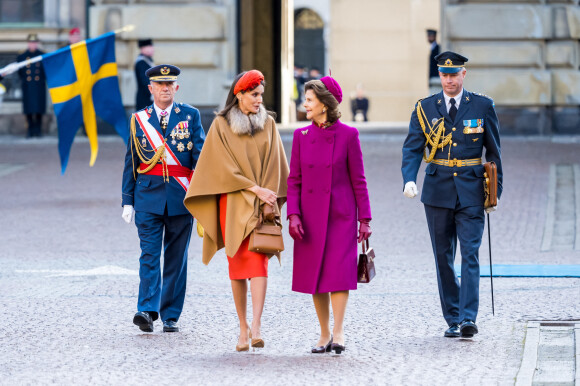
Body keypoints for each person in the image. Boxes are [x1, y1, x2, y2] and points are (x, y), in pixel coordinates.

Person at [183, 70, 289, 352]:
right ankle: (242, 327)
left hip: (261, 206)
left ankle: (256, 325)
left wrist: (266, 194)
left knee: (260, 262)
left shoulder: (269, 124)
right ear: (239, 95)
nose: (259, 100)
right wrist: (254, 189)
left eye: (261, 95)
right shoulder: (220, 125)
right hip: (232, 204)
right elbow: (219, 169)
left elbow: (276, 164)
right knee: (238, 266)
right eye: (254, 95)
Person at [401, 51, 503, 339]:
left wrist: (496, 193)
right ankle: (454, 317)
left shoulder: (482, 106)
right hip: (437, 192)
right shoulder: (425, 108)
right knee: (443, 257)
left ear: (463, 75)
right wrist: (409, 178)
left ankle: (469, 317)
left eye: (453, 74)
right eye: (444, 75)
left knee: (470, 254)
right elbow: (411, 148)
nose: (448, 79)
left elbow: (494, 153)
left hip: (471, 191)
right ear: (440, 76)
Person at [287, 76, 372, 355]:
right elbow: (294, 180)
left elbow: (359, 179)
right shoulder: (301, 137)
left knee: (337, 273)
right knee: (315, 275)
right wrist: (294, 214)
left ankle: (338, 331)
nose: (305, 104)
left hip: (340, 216)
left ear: (324, 104)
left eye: (309, 100)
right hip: (310, 217)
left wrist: (365, 220)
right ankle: (323, 333)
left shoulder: (349, 135)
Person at [121, 64, 205, 333]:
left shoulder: (190, 116)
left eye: (170, 84)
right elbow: (131, 161)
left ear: (176, 87)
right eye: (160, 84)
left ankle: (170, 314)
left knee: (176, 258)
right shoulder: (139, 120)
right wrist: (127, 200)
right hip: (147, 196)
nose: (165, 88)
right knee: (149, 255)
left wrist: (203, 197)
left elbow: (200, 160)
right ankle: (146, 309)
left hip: (181, 197)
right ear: (151, 89)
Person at [17, 34, 46, 138]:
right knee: (28, 108)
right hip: (28, 86)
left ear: (37, 43)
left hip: (39, 86)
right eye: (31, 43)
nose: (32, 45)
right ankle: (30, 129)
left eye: (34, 43)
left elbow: (45, 71)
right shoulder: (22, 56)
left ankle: (38, 130)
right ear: (28, 43)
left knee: (39, 108)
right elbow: (20, 72)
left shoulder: (42, 55)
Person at [134, 39, 155, 111]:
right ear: (142, 48)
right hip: (145, 99)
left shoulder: (147, 61)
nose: (151, 48)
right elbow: (145, 81)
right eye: (148, 46)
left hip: (147, 98)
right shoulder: (142, 62)